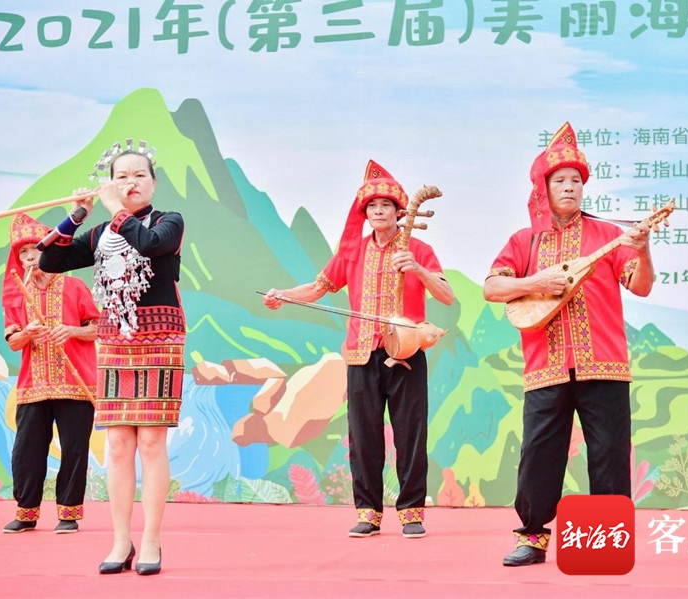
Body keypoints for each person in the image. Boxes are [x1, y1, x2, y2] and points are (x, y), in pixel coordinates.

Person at [483, 122, 655, 567]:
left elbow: (640, 286)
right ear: (543, 188)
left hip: (605, 366)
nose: (569, 187)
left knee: (610, 454)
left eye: (576, 180)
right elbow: (492, 288)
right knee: (539, 455)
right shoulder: (524, 241)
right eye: (560, 180)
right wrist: (536, 283)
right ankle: (533, 538)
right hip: (546, 367)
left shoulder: (608, 236)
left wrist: (643, 248)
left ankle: (606, 542)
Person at [263, 160, 454, 538]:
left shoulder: (418, 248)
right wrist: (283, 295)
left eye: (386, 205)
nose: (379, 211)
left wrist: (416, 268)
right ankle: (368, 513)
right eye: (372, 206)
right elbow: (317, 288)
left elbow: (446, 295)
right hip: (361, 356)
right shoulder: (352, 253)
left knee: (410, 435)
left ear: (400, 211)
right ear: (364, 213)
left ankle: (412, 513)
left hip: (406, 353)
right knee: (364, 437)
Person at [39, 140, 185, 576]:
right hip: (116, 341)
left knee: (151, 442)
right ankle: (121, 540)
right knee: (119, 444)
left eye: (139, 175)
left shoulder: (169, 221)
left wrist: (114, 208)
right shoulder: (100, 233)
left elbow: (150, 245)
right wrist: (77, 216)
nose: (130, 182)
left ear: (153, 183)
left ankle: (152, 539)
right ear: (110, 182)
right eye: (121, 176)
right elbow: (50, 260)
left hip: (160, 338)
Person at [1, 213, 99, 535]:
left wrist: (70, 330)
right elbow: (13, 342)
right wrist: (27, 333)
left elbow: (98, 328)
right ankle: (26, 513)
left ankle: (68, 514)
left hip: (75, 382)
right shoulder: (17, 294)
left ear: (49, 252)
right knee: (26, 451)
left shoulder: (75, 287)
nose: (30, 257)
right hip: (33, 386)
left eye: (36, 249)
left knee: (74, 449)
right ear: (18, 259)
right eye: (23, 252)